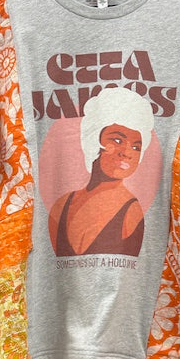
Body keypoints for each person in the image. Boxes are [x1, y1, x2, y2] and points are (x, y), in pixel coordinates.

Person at [48, 86, 155, 257]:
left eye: (136, 147)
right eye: (117, 140)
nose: (127, 153)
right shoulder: (61, 205)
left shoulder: (131, 211)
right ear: (93, 139)